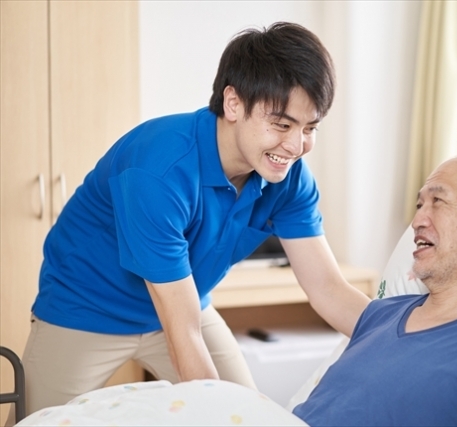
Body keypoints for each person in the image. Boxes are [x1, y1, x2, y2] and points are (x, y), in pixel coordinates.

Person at [21, 22, 370, 417]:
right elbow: (183, 334)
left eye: (310, 128)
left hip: (185, 304)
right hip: (86, 308)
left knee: (252, 416)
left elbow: (328, 288)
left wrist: (408, 337)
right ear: (234, 104)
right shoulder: (159, 170)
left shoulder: (288, 179)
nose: (295, 145)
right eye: (282, 124)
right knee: (36, 422)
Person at [293, 154, 457, 426]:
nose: (417, 221)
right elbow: (326, 288)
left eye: (438, 201)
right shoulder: (383, 315)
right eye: (419, 205)